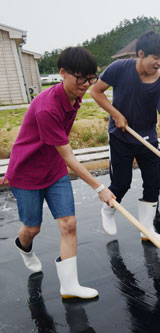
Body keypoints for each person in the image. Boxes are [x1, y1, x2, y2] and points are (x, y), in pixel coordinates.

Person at [4, 47, 115, 299]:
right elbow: (69, 156)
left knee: (68, 224)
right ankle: (23, 246)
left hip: (53, 169)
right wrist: (100, 188)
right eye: (81, 78)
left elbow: (62, 155)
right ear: (62, 73)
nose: (87, 85)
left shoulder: (73, 97)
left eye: (91, 78)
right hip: (26, 172)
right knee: (32, 228)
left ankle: (69, 286)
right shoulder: (47, 107)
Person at [91, 31, 160, 244]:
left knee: (153, 183)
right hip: (120, 136)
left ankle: (146, 228)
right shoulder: (120, 68)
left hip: (147, 139)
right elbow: (96, 92)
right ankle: (108, 210)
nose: (159, 63)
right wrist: (116, 114)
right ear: (140, 53)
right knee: (122, 183)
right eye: (155, 58)